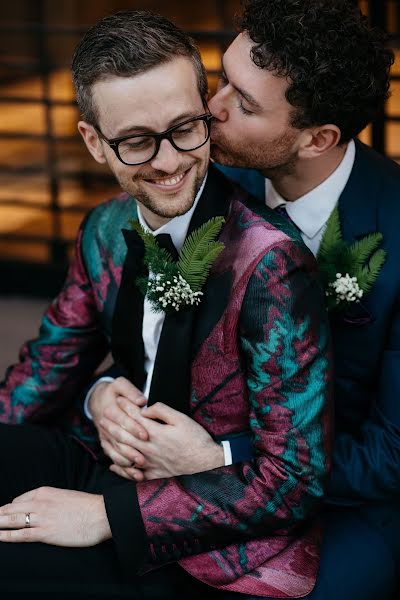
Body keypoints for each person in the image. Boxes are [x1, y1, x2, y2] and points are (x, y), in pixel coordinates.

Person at [0, 10, 332, 598]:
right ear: (94, 142)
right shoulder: (103, 228)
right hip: (103, 456)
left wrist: (104, 518)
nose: (169, 161)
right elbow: (45, 369)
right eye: (135, 141)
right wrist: (96, 394)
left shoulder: (271, 264)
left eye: (185, 128)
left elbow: (295, 480)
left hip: (213, 528)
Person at [89, 1, 400, 599]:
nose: (212, 107)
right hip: (190, 466)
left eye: (245, 102)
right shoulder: (203, 179)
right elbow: (158, 332)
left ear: (318, 138)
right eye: (223, 76)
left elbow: (391, 453)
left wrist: (226, 456)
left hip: (349, 502)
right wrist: (102, 394)